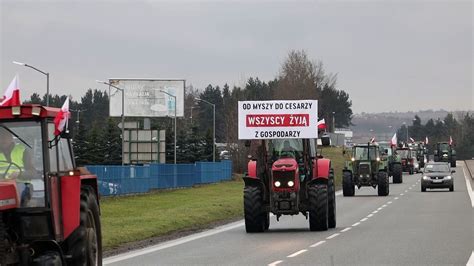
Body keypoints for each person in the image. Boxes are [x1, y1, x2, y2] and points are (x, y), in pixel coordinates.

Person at [0, 128, 36, 206]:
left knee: (17, 194)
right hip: (1, 185)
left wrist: (19, 173)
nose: (3, 139)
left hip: (20, 184)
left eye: (6, 136)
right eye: (1, 136)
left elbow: (32, 172)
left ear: (11, 137)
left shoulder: (22, 151)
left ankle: (19, 213)